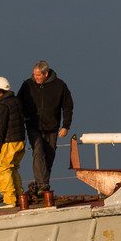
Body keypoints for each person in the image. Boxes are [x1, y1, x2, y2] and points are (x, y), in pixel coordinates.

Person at [17, 60, 72, 204]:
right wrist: (23, 118)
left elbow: (68, 105)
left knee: (49, 156)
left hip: (52, 128)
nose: (35, 77)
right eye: (34, 74)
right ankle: (43, 186)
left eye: (38, 75)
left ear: (45, 73)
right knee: (38, 151)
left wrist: (66, 126)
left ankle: (41, 185)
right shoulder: (27, 85)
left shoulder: (60, 86)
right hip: (33, 126)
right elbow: (18, 103)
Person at [0, 77, 26, 208]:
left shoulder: (2, 105)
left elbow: (0, 128)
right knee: (13, 168)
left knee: (3, 168)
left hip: (9, 142)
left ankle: (9, 200)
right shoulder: (16, 101)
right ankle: (19, 196)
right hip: (21, 141)